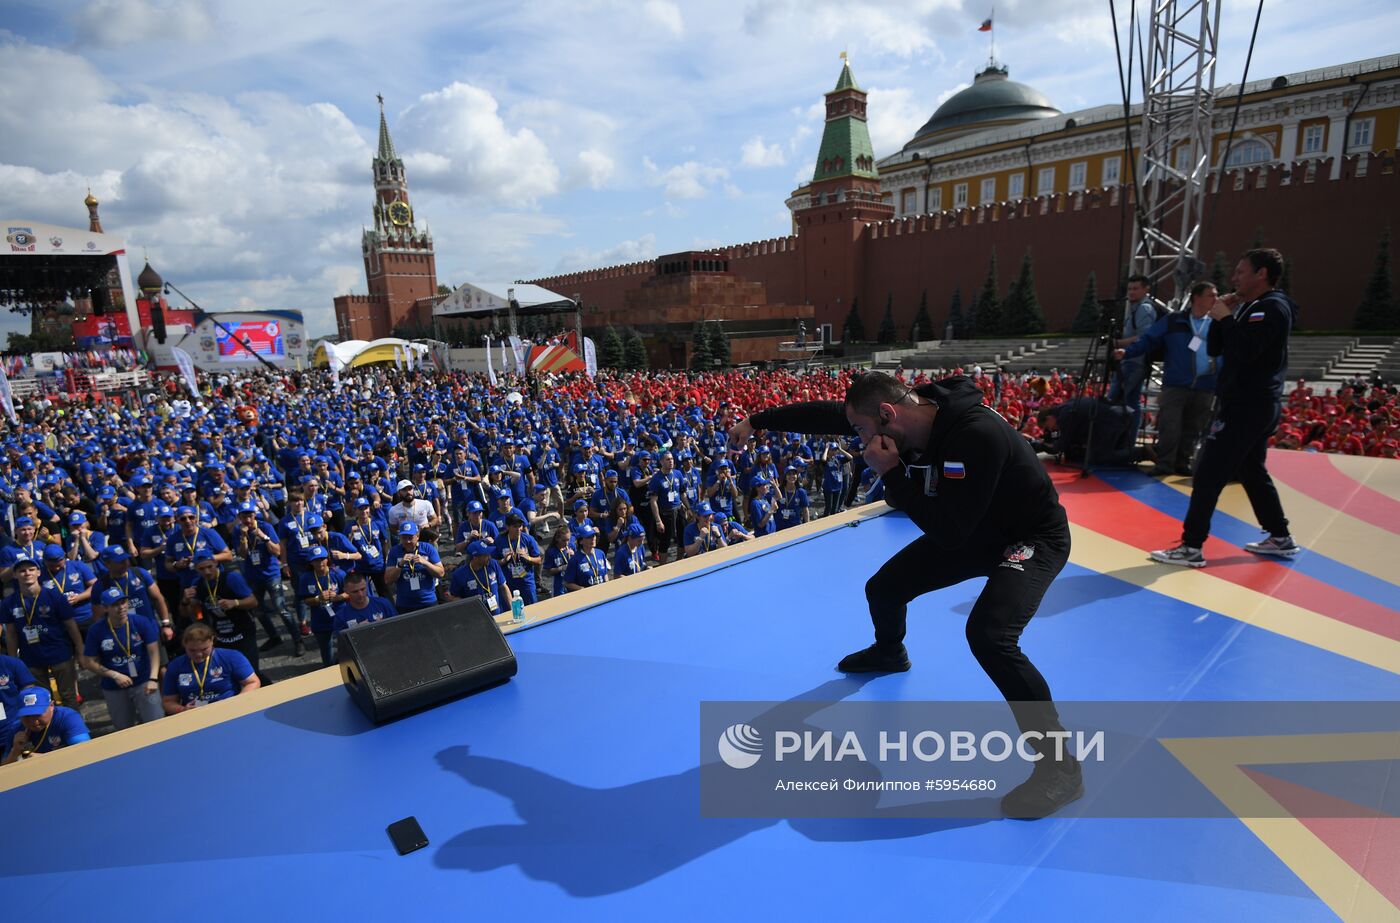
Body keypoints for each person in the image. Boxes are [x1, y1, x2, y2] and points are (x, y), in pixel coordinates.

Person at [729, 370, 1081, 819]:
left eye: (860, 431)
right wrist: (757, 420)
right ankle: (890, 652)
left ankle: (1062, 769)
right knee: (884, 588)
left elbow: (950, 534)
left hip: (1030, 537)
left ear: (888, 414)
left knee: (991, 636)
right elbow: (830, 416)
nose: (856, 439)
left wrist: (893, 474)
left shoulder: (976, 435)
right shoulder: (906, 416)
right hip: (975, 528)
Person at [1151, 249, 1302, 567]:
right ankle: (1280, 536)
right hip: (1249, 404)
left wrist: (1228, 319)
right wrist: (1221, 319)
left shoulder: (1272, 307)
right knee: (1251, 470)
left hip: (1247, 406)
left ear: (1261, 274)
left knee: (1207, 473)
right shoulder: (1252, 308)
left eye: (1241, 272)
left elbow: (1246, 350)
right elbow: (1220, 348)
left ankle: (1191, 546)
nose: (1234, 278)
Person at [1116, 281, 1220, 476]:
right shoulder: (1174, 321)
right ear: (1197, 298)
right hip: (1176, 383)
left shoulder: (1216, 323)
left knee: (1193, 427)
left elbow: (1224, 351)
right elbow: (1149, 338)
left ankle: (1182, 463)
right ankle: (1165, 463)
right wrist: (1128, 352)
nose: (1215, 299)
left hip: (1205, 385)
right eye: (1211, 295)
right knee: (1170, 426)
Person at [2, 559, 83, 707]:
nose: (27, 573)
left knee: (69, 696)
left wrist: (80, 649)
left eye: (31, 569)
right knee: (43, 700)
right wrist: (14, 661)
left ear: (39, 572)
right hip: (31, 657)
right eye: (22, 571)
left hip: (59, 653)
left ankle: (74, 729)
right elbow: (11, 634)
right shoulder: (9, 603)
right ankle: (51, 729)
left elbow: (71, 625)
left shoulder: (54, 596)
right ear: (15, 575)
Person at [80, 587, 163, 730]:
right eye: (115, 605)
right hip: (114, 686)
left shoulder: (141, 622)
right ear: (106, 608)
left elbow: (154, 652)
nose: (121, 607)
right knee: (124, 728)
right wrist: (114, 675)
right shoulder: (97, 630)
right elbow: (88, 662)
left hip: (144, 681)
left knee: (156, 723)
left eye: (123, 602)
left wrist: (153, 678)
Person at [182, 550, 262, 675]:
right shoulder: (197, 585)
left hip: (243, 632)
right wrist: (185, 601)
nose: (207, 572)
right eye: (202, 569)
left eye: (209, 567)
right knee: (231, 672)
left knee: (250, 670)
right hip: (220, 636)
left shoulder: (231, 578)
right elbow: (189, 613)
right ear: (196, 569)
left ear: (216, 563)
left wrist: (235, 603)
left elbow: (253, 602)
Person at [161, 622, 259, 714]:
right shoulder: (175, 666)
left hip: (229, 711)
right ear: (184, 644)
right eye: (192, 650)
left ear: (212, 641)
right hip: (195, 715)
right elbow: (168, 702)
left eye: (204, 649)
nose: (198, 654)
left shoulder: (231, 657)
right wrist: (183, 709)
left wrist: (237, 702)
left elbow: (253, 682)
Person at [1109, 273, 1158, 442]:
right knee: (1125, 400)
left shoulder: (1144, 309)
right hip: (1129, 361)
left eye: (1136, 289)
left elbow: (1144, 336)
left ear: (1146, 290)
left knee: (1129, 402)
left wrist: (1120, 343)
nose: (1131, 292)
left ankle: (1127, 442)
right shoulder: (1136, 309)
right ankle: (1123, 440)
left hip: (1135, 362)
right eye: (1129, 289)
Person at [0, 686, 90, 764]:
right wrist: (15, 751)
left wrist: (42, 759)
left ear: (51, 706)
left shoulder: (68, 718)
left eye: (38, 714)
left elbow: (85, 752)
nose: (33, 721)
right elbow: (3, 769)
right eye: (27, 716)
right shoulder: (17, 729)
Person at [384, 521, 444, 613]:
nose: (407, 541)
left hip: (427, 601)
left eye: (410, 537)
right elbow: (388, 580)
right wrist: (400, 565)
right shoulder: (394, 551)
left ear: (417, 536)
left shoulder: (427, 548)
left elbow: (441, 573)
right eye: (404, 538)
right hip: (405, 604)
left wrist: (426, 563)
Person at [447, 541, 511, 614]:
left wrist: (512, 608)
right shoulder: (459, 575)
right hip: (476, 619)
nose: (489, 557)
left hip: (497, 614)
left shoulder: (493, 564)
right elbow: (452, 598)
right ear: (475, 558)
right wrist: (470, 602)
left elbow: (503, 587)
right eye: (485, 555)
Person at [494, 512, 542, 604]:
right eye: (515, 526)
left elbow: (539, 560)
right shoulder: (499, 540)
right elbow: (493, 562)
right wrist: (503, 561)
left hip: (526, 582)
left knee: (532, 608)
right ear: (507, 527)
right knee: (512, 611)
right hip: (508, 583)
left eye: (520, 526)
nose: (519, 529)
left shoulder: (528, 539)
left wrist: (528, 558)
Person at [563, 524, 610, 590]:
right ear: (581, 541)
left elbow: (605, 574)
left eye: (593, 535)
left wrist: (607, 586)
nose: (593, 539)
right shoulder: (575, 560)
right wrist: (583, 589)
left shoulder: (600, 553)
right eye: (588, 537)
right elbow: (567, 583)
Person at [542, 524, 574, 599]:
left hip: (572, 582)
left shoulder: (571, 547)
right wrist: (562, 568)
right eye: (563, 540)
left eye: (568, 540)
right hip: (558, 584)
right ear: (557, 538)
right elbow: (549, 571)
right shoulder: (551, 552)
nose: (566, 543)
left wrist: (574, 556)